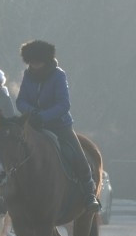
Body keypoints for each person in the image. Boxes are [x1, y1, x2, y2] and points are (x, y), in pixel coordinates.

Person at [15, 40, 99, 211]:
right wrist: (33, 113)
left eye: (37, 61)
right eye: (31, 61)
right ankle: (4, 196)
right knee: (12, 151)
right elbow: (21, 100)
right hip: (33, 123)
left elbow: (63, 104)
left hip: (59, 125)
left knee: (79, 156)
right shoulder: (27, 74)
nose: (34, 65)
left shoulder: (58, 75)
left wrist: (44, 116)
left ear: (45, 60)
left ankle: (90, 195)